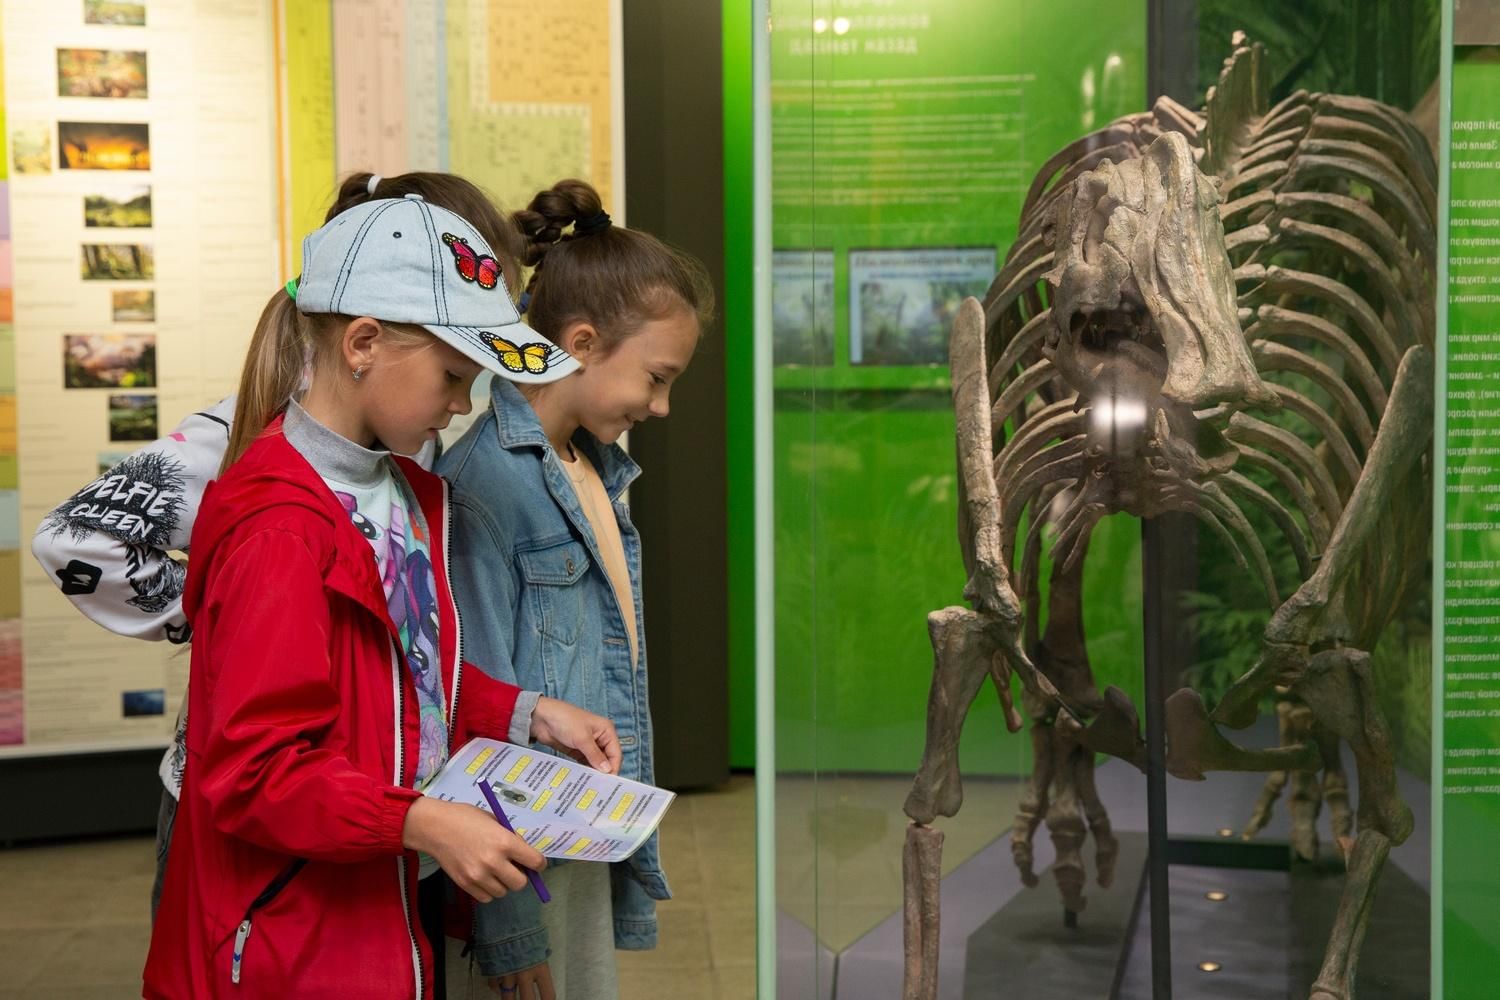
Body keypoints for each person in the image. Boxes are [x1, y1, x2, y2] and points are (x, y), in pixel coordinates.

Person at [142, 193, 612, 999]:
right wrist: (420, 821)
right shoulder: (280, 530)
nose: (462, 404)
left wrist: (524, 713)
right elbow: (254, 772)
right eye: (453, 376)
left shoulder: (407, 494)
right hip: (286, 941)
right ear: (363, 344)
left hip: (372, 912)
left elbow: (404, 684)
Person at [30, 170, 529, 922]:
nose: (462, 402)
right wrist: (214, 616)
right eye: (458, 361)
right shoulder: (252, 439)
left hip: (356, 809)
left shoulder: (392, 442)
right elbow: (73, 537)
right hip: (261, 820)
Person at [439, 179, 714, 1000]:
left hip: (580, 837)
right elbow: (474, 729)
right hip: (522, 867)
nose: (661, 408)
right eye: (656, 379)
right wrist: (510, 928)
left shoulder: (593, 467)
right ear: (585, 342)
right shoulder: (482, 488)